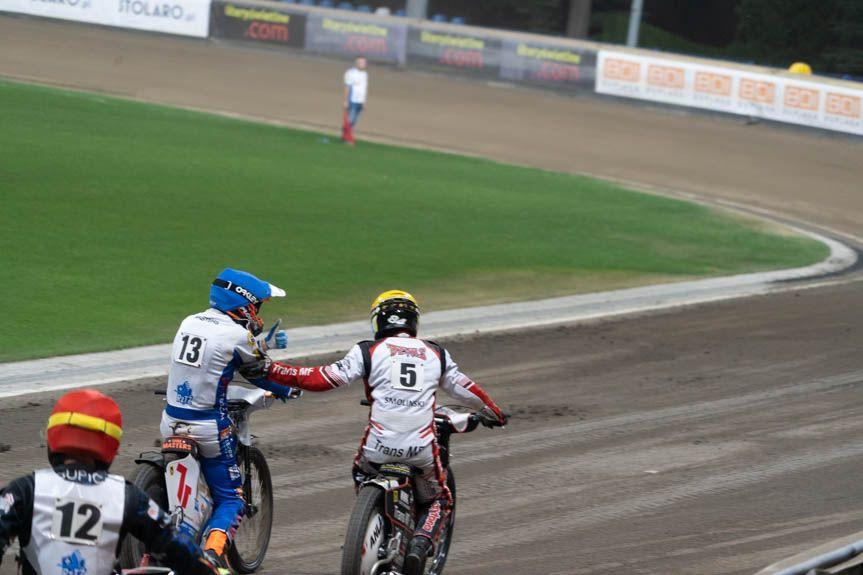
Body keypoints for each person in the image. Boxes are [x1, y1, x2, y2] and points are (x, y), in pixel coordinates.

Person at [239, 290, 508, 575]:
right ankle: (420, 543)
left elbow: (324, 378)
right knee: (440, 499)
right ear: (414, 321)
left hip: (377, 448)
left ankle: (372, 521)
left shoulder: (368, 350)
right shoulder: (436, 353)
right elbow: (465, 388)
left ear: (378, 321)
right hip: (420, 450)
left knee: (361, 471)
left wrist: (273, 370)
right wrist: (494, 412)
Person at [160, 268, 300, 569]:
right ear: (243, 304)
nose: (258, 313)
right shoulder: (237, 334)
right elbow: (257, 372)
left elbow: (214, 359)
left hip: (170, 421)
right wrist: (287, 388)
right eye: (257, 306)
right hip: (208, 427)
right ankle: (211, 556)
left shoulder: (189, 321)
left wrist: (262, 345)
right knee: (232, 499)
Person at [0, 389, 221, 575]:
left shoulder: (24, 490)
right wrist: (210, 569)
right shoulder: (126, 496)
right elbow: (178, 548)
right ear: (110, 446)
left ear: (53, 437)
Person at [342, 56, 368, 145]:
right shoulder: (350, 73)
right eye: (361, 62)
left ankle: (345, 135)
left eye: (364, 62)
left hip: (360, 101)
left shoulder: (365, 74)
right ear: (356, 63)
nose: (363, 64)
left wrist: (364, 102)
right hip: (352, 100)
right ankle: (348, 139)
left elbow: (364, 89)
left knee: (354, 120)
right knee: (350, 120)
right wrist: (345, 101)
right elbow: (347, 87)